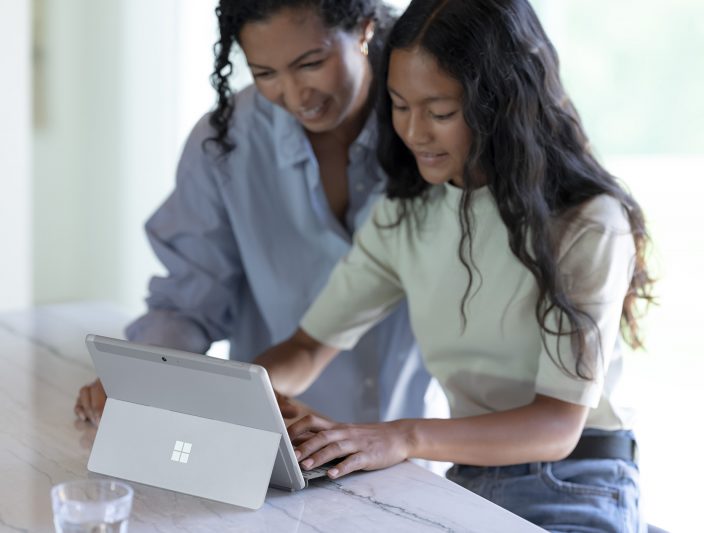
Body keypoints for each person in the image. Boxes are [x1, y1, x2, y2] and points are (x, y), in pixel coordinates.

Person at [253, 0, 655, 531]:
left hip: (578, 480)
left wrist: (402, 436)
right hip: (472, 478)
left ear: (501, 104)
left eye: (439, 112)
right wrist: (248, 391)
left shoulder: (586, 221)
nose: (414, 132)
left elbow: (558, 424)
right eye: (399, 106)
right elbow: (308, 348)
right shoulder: (407, 215)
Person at [73, 0, 432, 428]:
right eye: (265, 73)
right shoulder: (224, 144)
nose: (296, 96)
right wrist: (141, 375)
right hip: (271, 433)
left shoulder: (430, 134)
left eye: (311, 64)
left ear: (363, 30)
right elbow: (190, 302)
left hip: (410, 438)